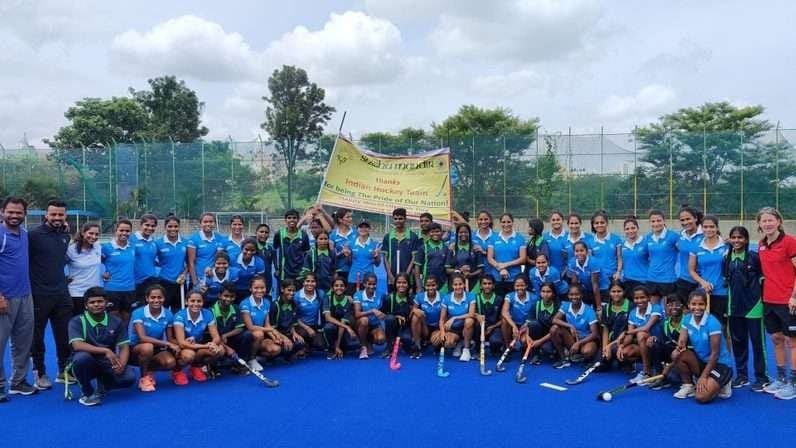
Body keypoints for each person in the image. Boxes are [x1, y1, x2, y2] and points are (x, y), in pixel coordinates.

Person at [28, 199, 73, 390]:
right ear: (46, 215)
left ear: (65, 216)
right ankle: (40, 373)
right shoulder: (33, 236)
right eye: (53, 214)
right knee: (37, 338)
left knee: (65, 336)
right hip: (39, 295)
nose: (56, 218)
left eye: (60, 214)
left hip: (62, 294)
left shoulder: (65, 236)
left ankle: (64, 371)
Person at [67, 287, 135, 406]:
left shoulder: (116, 321)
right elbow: (77, 345)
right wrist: (105, 350)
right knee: (82, 359)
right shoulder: (77, 321)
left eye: (100, 301)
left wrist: (122, 365)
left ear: (106, 303)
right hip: (86, 360)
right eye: (92, 302)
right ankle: (87, 392)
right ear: (86, 305)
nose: (96, 304)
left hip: (106, 361)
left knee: (129, 378)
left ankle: (103, 381)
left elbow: (124, 346)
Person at [755, 207, 796, 399]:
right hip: (769, 300)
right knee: (776, 339)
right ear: (759, 224)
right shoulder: (762, 244)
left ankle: (794, 383)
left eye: (771, 220)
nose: (767, 224)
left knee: (793, 342)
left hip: (788, 301)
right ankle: (781, 378)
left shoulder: (790, 242)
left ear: (778, 221)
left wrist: (794, 296)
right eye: (764, 221)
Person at [0, 197, 37, 401]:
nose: (14, 216)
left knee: (23, 343)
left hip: (25, 295)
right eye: (10, 212)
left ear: (25, 214)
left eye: (19, 212)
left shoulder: (24, 234)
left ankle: (18, 381)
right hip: (4, 298)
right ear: (2, 212)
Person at [724, 225, 768, 391]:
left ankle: (762, 377)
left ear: (747, 240)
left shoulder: (753, 257)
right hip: (734, 308)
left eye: (740, 237)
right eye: (734, 237)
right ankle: (742, 376)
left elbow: (764, 280)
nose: (737, 241)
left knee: (758, 343)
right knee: (738, 343)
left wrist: (762, 301)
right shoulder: (726, 258)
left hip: (754, 307)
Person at [670, 289, 734, 402]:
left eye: (701, 304)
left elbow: (715, 354)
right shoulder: (687, 319)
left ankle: (724, 383)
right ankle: (688, 385)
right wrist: (680, 346)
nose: (697, 307)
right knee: (676, 354)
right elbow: (682, 340)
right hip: (703, 361)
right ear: (688, 305)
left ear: (705, 305)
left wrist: (704, 377)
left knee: (701, 397)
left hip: (720, 364)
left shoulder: (713, 323)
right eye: (693, 304)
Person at [129, 285, 179, 392]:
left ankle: (149, 370)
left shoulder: (168, 314)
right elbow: (142, 338)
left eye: (159, 297)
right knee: (147, 347)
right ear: (147, 299)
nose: (156, 300)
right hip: (136, 348)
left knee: (170, 362)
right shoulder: (138, 313)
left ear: (164, 298)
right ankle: (143, 378)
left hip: (157, 347)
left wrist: (183, 342)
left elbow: (170, 339)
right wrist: (167, 344)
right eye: (153, 297)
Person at [172, 290, 224, 385]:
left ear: (203, 302)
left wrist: (213, 344)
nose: (196, 304)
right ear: (187, 302)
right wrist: (206, 346)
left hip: (198, 344)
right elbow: (182, 343)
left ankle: (196, 366)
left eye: (199, 301)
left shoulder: (207, 313)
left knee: (220, 350)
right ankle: (177, 371)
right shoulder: (179, 316)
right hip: (183, 347)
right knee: (189, 356)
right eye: (192, 301)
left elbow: (216, 336)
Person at [688, 215, 729, 324]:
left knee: (722, 326)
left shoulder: (726, 245)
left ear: (717, 228)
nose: (708, 230)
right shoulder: (696, 246)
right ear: (701, 228)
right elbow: (691, 270)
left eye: (712, 227)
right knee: (704, 325)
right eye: (705, 227)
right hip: (704, 293)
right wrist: (703, 283)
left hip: (723, 292)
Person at [618, 285, 662, 384]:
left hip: (659, 343)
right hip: (644, 345)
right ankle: (648, 369)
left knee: (641, 334)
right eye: (636, 298)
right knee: (625, 352)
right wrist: (622, 345)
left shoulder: (656, 308)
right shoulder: (633, 313)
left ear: (648, 298)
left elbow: (646, 328)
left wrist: (625, 332)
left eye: (642, 297)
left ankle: (647, 371)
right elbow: (630, 336)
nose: (639, 300)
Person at [550, 284, 599, 368]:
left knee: (587, 351)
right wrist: (570, 326)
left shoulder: (589, 311)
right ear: (568, 295)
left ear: (581, 295)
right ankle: (564, 359)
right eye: (571, 295)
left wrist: (579, 343)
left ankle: (583, 357)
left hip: (586, 339)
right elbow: (554, 319)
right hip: (573, 338)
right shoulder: (566, 305)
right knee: (554, 329)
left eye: (577, 294)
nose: (574, 297)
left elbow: (594, 334)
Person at [239, 276, 281, 371]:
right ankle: (251, 359)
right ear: (250, 289)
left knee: (276, 349)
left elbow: (267, 324)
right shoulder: (245, 304)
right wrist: (271, 330)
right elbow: (250, 327)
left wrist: (275, 336)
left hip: (261, 335)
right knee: (258, 334)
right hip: (246, 336)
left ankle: (258, 357)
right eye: (256, 288)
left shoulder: (266, 302)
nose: (259, 290)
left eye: (262, 288)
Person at [101, 219, 136, 324]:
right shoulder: (106, 247)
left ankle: (123, 340)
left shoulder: (133, 247)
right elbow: (95, 263)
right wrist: (102, 273)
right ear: (116, 231)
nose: (124, 233)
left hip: (129, 289)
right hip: (112, 289)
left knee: (126, 320)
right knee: (113, 321)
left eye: (127, 231)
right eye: (121, 230)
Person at [646, 293, 684, 390]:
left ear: (683, 306)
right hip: (672, 354)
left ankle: (688, 379)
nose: (673, 307)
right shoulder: (665, 323)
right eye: (670, 305)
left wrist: (669, 366)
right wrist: (654, 338)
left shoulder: (687, 322)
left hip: (685, 354)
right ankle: (660, 376)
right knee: (654, 343)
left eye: (677, 304)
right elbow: (664, 343)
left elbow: (687, 348)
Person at [487, 213, 527, 296]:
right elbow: (490, 258)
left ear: (512, 222)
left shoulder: (520, 238)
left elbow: (523, 259)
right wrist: (500, 269)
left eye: (508, 222)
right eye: (503, 222)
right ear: (500, 223)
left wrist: (505, 265)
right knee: (499, 305)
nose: (506, 224)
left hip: (514, 278)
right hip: (497, 278)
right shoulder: (493, 238)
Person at [438, 274, 476, 361]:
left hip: (466, 328)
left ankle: (466, 350)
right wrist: (442, 332)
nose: (458, 287)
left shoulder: (471, 296)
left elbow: (471, 314)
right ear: (452, 285)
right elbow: (442, 319)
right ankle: (459, 344)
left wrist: (454, 318)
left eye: (460, 284)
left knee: (469, 321)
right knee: (447, 343)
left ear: (464, 284)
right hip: (453, 329)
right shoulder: (446, 298)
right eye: (455, 284)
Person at [67, 222, 102, 315]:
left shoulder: (97, 246)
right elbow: (57, 265)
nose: (94, 236)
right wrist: (63, 279)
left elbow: (106, 259)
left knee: (93, 324)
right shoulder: (71, 250)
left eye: (96, 234)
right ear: (83, 233)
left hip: (94, 293)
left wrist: (107, 272)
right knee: (78, 323)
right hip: (76, 293)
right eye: (90, 233)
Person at [382, 208, 420, 293]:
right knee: (392, 301)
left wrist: (406, 275)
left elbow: (414, 258)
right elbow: (385, 258)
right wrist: (390, 275)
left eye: (400, 218)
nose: (398, 221)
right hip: (392, 278)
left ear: (405, 219)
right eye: (395, 219)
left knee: (407, 303)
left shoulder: (413, 236)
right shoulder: (388, 237)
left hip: (408, 278)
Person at [588, 210, 622, 304]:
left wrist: (618, 272)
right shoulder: (590, 241)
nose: (599, 225)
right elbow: (590, 262)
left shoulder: (616, 238)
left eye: (602, 222)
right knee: (601, 309)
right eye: (596, 223)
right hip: (599, 281)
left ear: (606, 223)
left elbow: (619, 258)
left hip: (613, 279)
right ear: (593, 225)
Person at [645, 209, 679, 302]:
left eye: (659, 220)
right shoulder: (648, 237)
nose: (656, 223)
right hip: (652, 278)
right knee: (654, 309)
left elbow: (684, 252)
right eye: (653, 221)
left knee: (668, 310)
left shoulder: (673, 236)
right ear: (649, 222)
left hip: (668, 279)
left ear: (664, 221)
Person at [155, 216, 188, 312]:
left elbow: (190, 262)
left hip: (180, 282)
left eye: (176, 226)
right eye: (170, 226)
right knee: (162, 310)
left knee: (178, 311)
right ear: (165, 227)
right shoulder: (158, 243)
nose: (173, 229)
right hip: (164, 282)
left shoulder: (185, 242)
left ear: (179, 227)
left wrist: (184, 274)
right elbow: (152, 261)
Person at [186, 212, 227, 288]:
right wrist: (195, 282)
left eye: (211, 222)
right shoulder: (193, 239)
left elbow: (219, 258)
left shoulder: (219, 238)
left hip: (213, 277)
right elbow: (191, 262)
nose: (208, 224)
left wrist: (212, 269)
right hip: (198, 278)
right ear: (200, 223)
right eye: (205, 222)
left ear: (214, 223)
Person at [211, 282, 245, 373]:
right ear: (219, 295)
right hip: (216, 341)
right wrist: (226, 347)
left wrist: (226, 335)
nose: (228, 299)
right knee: (219, 350)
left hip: (229, 338)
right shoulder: (211, 311)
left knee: (247, 335)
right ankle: (213, 366)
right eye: (226, 296)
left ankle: (239, 363)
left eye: (231, 296)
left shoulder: (236, 308)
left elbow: (240, 328)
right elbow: (212, 336)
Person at [500, 276, 536, 359]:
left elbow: (533, 315)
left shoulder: (534, 297)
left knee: (524, 341)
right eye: (517, 286)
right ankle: (507, 347)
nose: (520, 288)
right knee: (504, 320)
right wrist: (513, 326)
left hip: (526, 325)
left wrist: (526, 326)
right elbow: (504, 312)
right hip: (514, 324)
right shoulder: (509, 296)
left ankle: (524, 348)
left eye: (522, 285)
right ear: (514, 286)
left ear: (526, 286)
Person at [268, 279, 304, 361]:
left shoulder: (294, 303)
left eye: (293, 290)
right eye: (289, 290)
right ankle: (266, 356)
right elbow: (272, 328)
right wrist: (284, 338)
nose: (291, 293)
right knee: (278, 348)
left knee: (300, 342)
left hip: (287, 333)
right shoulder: (275, 305)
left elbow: (292, 322)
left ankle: (287, 354)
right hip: (275, 334)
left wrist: (294, 333)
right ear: (282, 289)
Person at [322, 278, 358, 359]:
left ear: (345, 288)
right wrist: (348, 327)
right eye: (336, 286)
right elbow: (328, 318)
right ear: (332, 288)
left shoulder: (348, 301)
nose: (339, 288)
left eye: (342, 286)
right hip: (331, 326)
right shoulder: (327, 298)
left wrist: (337, 346)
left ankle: (338, 346)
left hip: (342, 329)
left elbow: (343, 323)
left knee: (351, 346)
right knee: (328, 327)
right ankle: (331, 348)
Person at [274, 209, 311, 287]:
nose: (292, 220)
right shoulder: (279, 234)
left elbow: (306, 253)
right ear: (285, 220)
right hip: (284, 273)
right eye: (289, 218)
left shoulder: (303, 234)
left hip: (299, 272)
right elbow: (274, 252)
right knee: (285, 295)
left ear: (298, 219)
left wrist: (305, 270)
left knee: (297, 296)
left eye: (294, 218)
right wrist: (276, 268)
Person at [524, 281, 559, 364]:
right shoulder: (536, 305)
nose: (545, 294)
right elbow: (527, 324)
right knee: (533, 324)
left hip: (552, 336)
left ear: (553, 293)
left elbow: (557, 329)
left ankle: (557, 353)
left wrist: (540, 342)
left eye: (548, 292)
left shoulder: (558, 306)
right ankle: (536, 354)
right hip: (539, 333)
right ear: (540, 293)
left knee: (548, 349)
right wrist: (527, 336)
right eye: (543, 291)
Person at [353, 273, 386, 359]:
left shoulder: (381, 295)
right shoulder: (358, 295)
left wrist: (383, 315)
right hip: (361, 324)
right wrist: (373, 311)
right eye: (369, 284)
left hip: (375, 325)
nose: (372, 286)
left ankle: (368, 342)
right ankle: (363, 347)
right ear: (364, 284)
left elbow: (385, 311)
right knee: (364, 320)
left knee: (381, 339)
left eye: (374, 284)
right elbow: (357, 314)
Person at [410, 276, 444, 359]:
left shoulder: (443, 297)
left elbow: (445, 316)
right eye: (428, 286)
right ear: (424, 286)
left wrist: (441, 331)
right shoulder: (419, 296)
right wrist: (414, 310)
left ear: (437, 285)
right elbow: (411, 313)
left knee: (436, 342)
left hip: (437, 327)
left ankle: (434, 342)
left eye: (433, 285)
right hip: (425, 327)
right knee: (415, 317)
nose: (431, 288)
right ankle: (417, 346)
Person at [380, 273, 413, 357]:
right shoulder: (388, 298)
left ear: (408, 284)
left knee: (407, 339)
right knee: (390, 318)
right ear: (395, 284)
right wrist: (396, 316)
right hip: (392, 328)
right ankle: (389, 346)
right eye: (399, 282)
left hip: (406, 327)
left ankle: (404, 344)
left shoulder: (412, 299)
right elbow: (383, 315)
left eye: (404, 282)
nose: (401, 285)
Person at [675, 205, 704, 301]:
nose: (685, 222)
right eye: (682, 220)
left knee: (701, 312)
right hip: (684, 280)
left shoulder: (706, 234)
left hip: (702, 281)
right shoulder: (681, 235)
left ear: (695, 218)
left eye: (688, 219)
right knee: (685, 312)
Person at [600, 282, 630, 371]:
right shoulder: (606, 308)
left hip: (627, 340)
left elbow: (630, 331)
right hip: (611, 341)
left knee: (625, 354)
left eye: (619, 291)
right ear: (609, 292)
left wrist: (612, 346)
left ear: (624, 292)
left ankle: (629, 363)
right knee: (600, 365)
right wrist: (605, 348)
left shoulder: (631, 306)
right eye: (613, 291)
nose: (616, 294)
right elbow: (605, 329)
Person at [294, 273, 327, 355]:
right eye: (307, 281)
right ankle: (303, 347)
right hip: (301, 326)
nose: (310, 283)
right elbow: (294, 317)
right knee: (302, 337)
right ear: (303, 282)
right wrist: (307, 328)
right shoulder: (297, 296)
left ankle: (308, 346)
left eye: (313, 281)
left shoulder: (321, 294)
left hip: (315, 326)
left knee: (321, 345)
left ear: (316, 283)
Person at [130, 214, 159, 302]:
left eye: (153, 226)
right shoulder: (131, 239)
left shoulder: (153, 241)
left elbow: (153, 260)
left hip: (152, 281)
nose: (150, 228)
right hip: (136, 282)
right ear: (141, 225)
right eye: (147, 225)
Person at [415, 222, 451, 293]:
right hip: (427, 284)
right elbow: (417, 268)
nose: (435, 234)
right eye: (432, 232)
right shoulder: (423, 248)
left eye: (437, 231)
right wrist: (419, 286)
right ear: (428, 233)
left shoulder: (446, 248)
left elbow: (447, 269)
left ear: (441, 232)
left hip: (443, 285)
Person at [474, 274, 505, 355]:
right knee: (476, 324)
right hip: (480, 327)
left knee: (496, 341)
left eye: (489, 283)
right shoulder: (475, 297)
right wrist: (476, 315)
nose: (487, 286)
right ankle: (477, 350)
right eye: (484, 284)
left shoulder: (500, 299)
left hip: (494, 327)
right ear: (480, 286)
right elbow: (469, 313)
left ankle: (495, 347)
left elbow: (503, 319)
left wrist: (492, 327)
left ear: (493, 286)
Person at [617, 216, 648, 298]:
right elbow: (620, 260)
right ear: (624, 230)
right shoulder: (622, 245)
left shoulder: (646, 242)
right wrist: (618, 272)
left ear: (637, 228)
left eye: (633, 228)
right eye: (627, 229)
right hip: (627, 282)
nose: (630, 231)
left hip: (643, 282)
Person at [566, 241, 602, 310]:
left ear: (587, 251)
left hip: (601, 289)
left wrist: (598, 306)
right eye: (576, 251)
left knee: (599, 311)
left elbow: (595, 285)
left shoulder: (593, 262)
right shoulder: (572, 262)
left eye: (582, 250)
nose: (579, 253)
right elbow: (574, 283)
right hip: (586, 289)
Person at [301, 230, 335, 295]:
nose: (323, 241)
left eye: (325, 239)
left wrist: (333, 286)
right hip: (315, 287)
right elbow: (306, 272)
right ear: (316, 240)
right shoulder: (310, 254)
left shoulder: (332, 253)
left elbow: (334, 271)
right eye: (321, 239)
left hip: (329, 287)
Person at [329, 208, 355, 286]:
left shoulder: (356, 233)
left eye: (351, 217)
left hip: (353, 271)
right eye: (348, 217)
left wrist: (350, 254)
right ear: (340, 219)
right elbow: (331, 255)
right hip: (339, 271)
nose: (351, 219)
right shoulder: (333, 235)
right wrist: (341, 253)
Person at [254, 223, 276, 296]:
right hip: (255, 280)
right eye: (261, 232)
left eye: (266, 232)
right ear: (256, 233)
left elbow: (275, 265)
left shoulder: (271, 249)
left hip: (267, 280)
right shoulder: (252, 248)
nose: (264, 234)